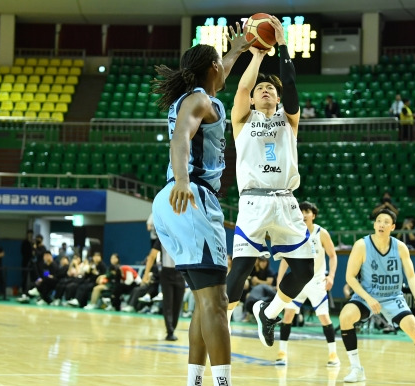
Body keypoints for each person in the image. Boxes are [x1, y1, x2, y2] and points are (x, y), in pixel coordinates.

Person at [150, 22, 254, 386]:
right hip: (189, 194)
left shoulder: (198, 93)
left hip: (171, 200)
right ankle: (223, 382)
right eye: (220, 64)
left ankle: (195, 381)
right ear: (211, 69)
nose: (223, 68)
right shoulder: (200, 99)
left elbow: (221, 67)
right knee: (217, 300)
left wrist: (239, 48)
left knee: (203, 298)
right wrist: (182, 180)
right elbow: (180, 137)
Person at [225, 16, 315, 351]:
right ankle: (223, 327)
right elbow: (243, 88)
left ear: (277, 99)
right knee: (242, 269)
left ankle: (271, 312)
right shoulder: (242, 120)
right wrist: (258, 53)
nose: (266, 90)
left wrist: (283, 45)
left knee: (305, 270)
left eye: (271, 89)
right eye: (262, 88)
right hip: (253, 202)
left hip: (287, 202)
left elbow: (290, 86)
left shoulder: (289, 119)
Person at [339, 209, 415, 383]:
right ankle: (356, 369)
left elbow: (412, 276)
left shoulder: (400, 247)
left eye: (385, 222)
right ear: (374, 224)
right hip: (367, 296)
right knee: (345, 317)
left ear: (392, 227)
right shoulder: (361, 245)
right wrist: (368, 298)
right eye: (378, 221)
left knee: (414, 330)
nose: (381, 224)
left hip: (393, 297)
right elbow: (350, 277)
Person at [275, 201, 340, 367]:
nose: (303, 215)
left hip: (317, 280)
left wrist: (331, 276)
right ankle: (282, 353)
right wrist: (279, 280)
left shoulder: (321, 233)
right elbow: (285, 260)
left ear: (313, 215)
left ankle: (333, 354)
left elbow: (333, 255)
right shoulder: (294, 233)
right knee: (288, 315)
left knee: (324, 317)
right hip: (298, 280)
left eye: (307, 211)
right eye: (301, 211)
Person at [143, 237, 185, 341]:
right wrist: (146, 274)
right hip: (166, 274)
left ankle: (172, 329)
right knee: (168, 304)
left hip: (180, 273)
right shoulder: (162, 237)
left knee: (177, 305)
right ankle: (170, 331)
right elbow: (152, 256)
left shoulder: (183, 236)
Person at [20, 230, 34, 295]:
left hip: (32, 262)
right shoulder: (25, 242)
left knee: (32, 277)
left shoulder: (33, 243)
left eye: (31, 234)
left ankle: (31, 291)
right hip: (25, 261)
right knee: (24, 277)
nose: (30, 235)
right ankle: (23, 291)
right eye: (29, 234)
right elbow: (23, 252)